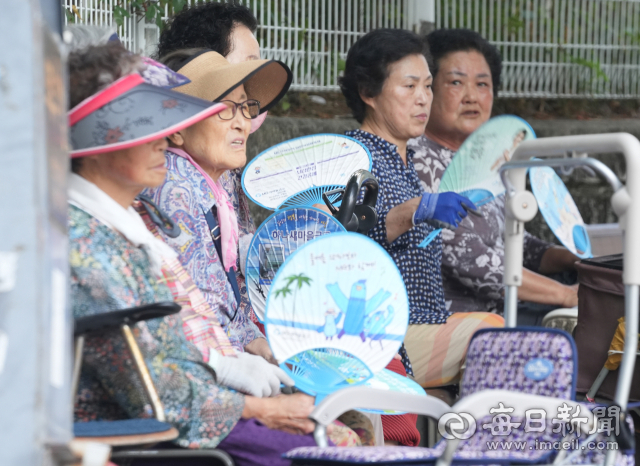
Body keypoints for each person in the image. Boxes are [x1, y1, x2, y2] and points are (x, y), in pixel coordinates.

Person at [68, 43, 352, 466]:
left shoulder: (118, 226)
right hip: (142, 439)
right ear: (96, 136)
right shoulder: (88, 248)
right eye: (144, 123)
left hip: (183, 418)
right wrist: (261, 408)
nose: (165, 136)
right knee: (328, 448)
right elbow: (152, 390)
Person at [339, 28, 504, 441]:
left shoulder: (406, 159)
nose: (423, 98)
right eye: (409, 85)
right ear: (368, 92)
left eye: (428, 85)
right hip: (382, 335)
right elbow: (349, 232)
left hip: (423, 325)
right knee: (496, 335)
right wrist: (419, 210)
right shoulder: (353, 156)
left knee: (510, 331)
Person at [408, 29, 579, 323]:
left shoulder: (490, 162)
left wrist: (570, 258)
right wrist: (566, 295)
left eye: (483, 84)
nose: (472, 96)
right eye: (456, 82)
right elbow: (468, 257)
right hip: (455, 324)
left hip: (503, 309)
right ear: (428, 90)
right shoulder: (419, 161)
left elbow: (512, 242)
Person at [155, 1, 268, 331]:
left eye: (246, 106)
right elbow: (204, 315)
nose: (243, 123)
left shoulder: (221, 174)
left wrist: (297, 233)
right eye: (225, 106)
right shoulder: (175, 185)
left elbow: (241, 268)